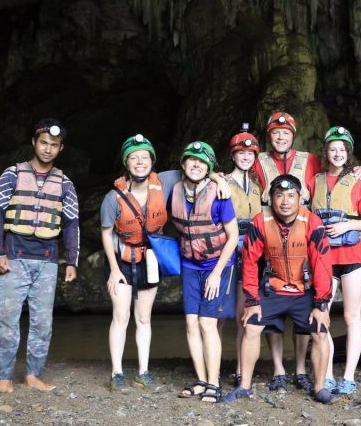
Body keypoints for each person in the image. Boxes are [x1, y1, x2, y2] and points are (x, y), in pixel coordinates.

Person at [0, 118, 79, 395]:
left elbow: (71, 224)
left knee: (42, 322)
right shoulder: (12, 174)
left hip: (48, 261)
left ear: (61, 148)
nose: (48, 149)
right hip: (14, 256)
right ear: (34, 142)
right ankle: (3, 377)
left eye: (54, 145)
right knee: (6, 319)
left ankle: (33, 375)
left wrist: (72, 261)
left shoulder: (65, 184)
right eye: (44, 143)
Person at [225, 175, 336, 404]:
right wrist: (252, 301)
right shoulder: (260, 221)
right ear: (271, 198)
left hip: (304, 290)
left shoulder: (312, 222)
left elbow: (323, 264)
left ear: (300, 199)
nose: (285, 201)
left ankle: (320, 388)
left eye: (291, 196)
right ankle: (244, 386)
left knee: (320, 331)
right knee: (251, 327)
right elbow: (249, 261)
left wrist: (321, 304)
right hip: (273, 288)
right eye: (279, 195)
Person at [251, 111, 319, 390]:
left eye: (286, 133)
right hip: (267, 238)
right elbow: (237, 177)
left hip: (302, 237)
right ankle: (278, 368)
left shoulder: (310, 160)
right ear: (269, 136)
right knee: (271, 305)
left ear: (293, 135)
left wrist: (358, 169)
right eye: (276, 133)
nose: (281, 137)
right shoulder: (257, 160)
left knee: (304, 305)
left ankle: (301, 369)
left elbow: (335, 168)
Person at [309, 126, 361, 395]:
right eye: (332, 149)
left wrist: (348, 225)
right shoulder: (315, 181)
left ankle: (348, 376)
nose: (337, 154)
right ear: (325, 152)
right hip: (323, 257)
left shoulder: (360, 181)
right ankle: (326, 374)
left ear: (348, 153)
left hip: (352, 256)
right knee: (322, 314)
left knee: (351, 316)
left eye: (342, 149)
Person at [170, 141, 240, 403]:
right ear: (183, 163)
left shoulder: (219, 195)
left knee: (207, 323)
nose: (196, 164)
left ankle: (214, 383)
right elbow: (144, 179)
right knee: (191, 323)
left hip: (217, 265)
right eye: (192, 159)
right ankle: (201, 380)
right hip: (190, 264)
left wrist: (216, 273)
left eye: (202, 162)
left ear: (209, 166)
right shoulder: (174, 188)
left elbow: (233, 237)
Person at [98, 134, 167, 393]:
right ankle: (117, 373)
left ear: (152, 161)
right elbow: (106, 234)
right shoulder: (112, 198)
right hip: (122, 261)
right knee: (120, 315)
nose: (140, 162)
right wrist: (114, 270)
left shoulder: (165, 184)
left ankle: (143, 372)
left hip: (149, 261)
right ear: (126, 163)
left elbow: (195, 171)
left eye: (144, 157)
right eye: (134, 158)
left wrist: (218, 178)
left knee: (144, 318)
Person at [225, 124, 264, 386]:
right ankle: (225, 367)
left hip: (254, 248)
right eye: (241, 153)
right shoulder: (223, 182)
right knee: (227, 313)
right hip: (230, 247)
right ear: (233, 155)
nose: (246, 157)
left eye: (250, 154)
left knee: (246, 311)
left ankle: (242, 367)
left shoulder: (257, 185)